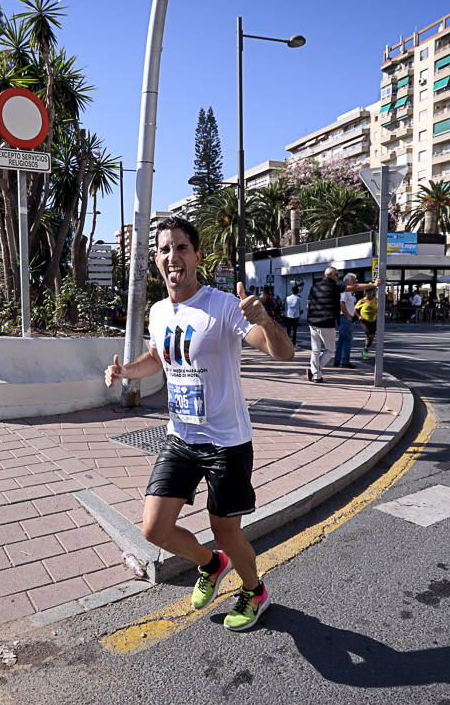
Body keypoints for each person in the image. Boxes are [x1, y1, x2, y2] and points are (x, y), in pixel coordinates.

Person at [103, 215, 295, 632]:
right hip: (181, 438)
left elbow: (283, 354)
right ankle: (210, 564)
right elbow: (158, 358)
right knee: (154, 529)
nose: (173, 257)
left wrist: (263, 320)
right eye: (165, 249)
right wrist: (125, 374)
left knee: (227, 532)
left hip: (226, 443)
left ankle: (254, 590)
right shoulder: (157, 311)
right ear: (156, 259)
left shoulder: (223, 306)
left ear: (197, 256)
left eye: (182, 248)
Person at [334, 273, 358, 369]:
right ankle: (345, 361)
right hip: (344, 317)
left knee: (342, 339)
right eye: (353, 279)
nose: (355, 281)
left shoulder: (346, 290)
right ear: (347, 280)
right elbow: (342, 304)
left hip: (343, 316)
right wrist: (348, 316)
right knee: (347, 339)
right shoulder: (344, 290)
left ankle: (338, 360)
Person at [356, 289, 378, 360]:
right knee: (370, 335)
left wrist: (377, 313)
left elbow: (379, 308)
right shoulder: (362, 300)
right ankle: (365, 351)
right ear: (366, 293)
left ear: (372, 293)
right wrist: (359, 316)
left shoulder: (376, 300)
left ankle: (365, 349)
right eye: (368, 293)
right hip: (364, 321)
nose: (369, 294)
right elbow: (355, 309)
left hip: (373, 320)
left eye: (370, 292)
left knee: (371, 337)